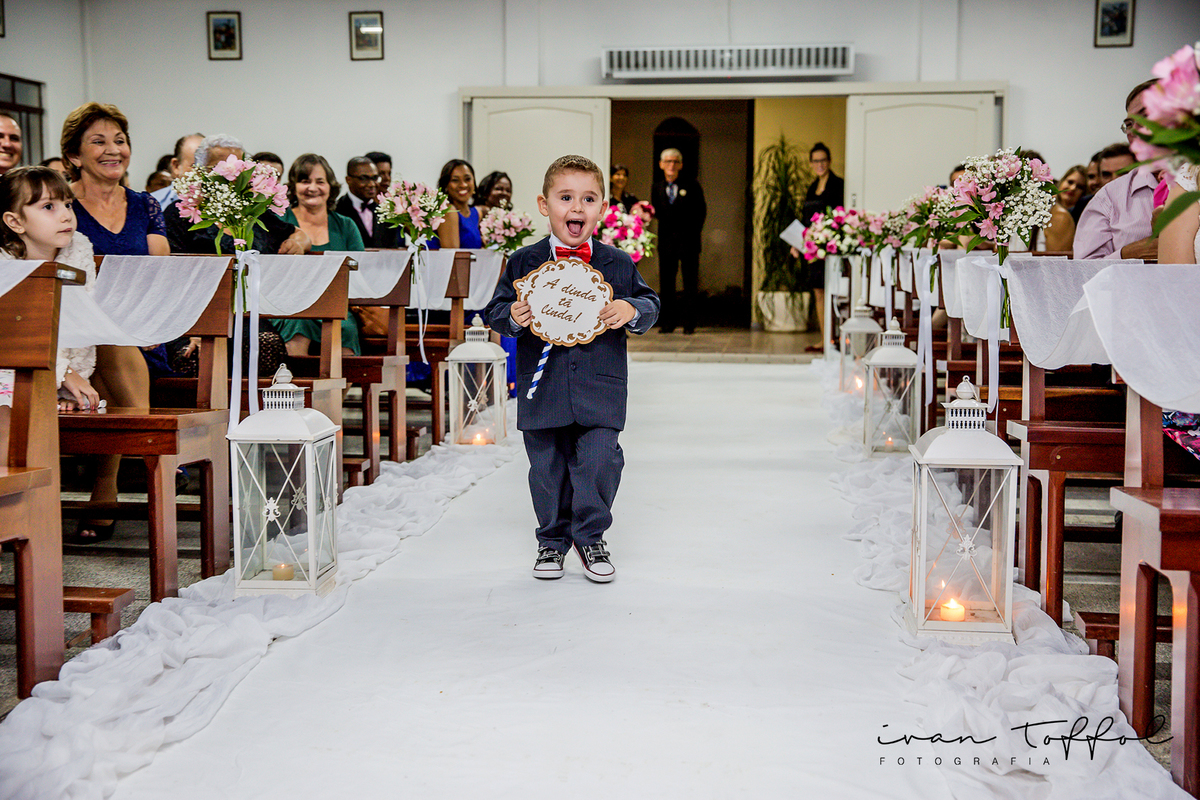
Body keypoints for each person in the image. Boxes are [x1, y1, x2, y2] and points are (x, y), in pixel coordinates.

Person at [484, 154, 659, 582]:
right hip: (543, 388)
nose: (576, 207)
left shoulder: (618, 263)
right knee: (546, 469)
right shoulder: (523, 262)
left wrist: (630, 309)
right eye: (565, 197)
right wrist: (513, 316)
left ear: (602, 208)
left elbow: (650, 303)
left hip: (601, 388)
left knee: (600, 460)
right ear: (544, 205)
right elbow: (496, 310)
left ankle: (590, 536)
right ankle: (551, 539)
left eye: (588, 199)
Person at [276, 153, 363, 358]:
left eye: (320, 182)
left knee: (345, 328)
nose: (312, 188)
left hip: (335, 304)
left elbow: (360, 271)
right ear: (293, 186)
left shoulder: (346, 225)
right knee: (299, 324)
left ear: (331, 186)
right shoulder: (280, 220)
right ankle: (295, 379)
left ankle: (339, 381)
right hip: (288, 306)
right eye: (305, 181)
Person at [163, 134, 309, 255]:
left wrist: (296, 244)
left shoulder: (253, 209)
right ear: (201, 171)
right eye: (220, 167)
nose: (232, 175)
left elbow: (301, 235)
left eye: (239, 168)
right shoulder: (180, 212)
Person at [1074, 80, 1160, 260]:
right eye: (1129, 124)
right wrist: (1126, 254)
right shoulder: (1109, 198)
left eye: (1145, 116)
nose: (1133, 131)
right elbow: (1084, 269)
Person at [650, 147, 706, 334]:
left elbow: (701, 212)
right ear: (661, 164)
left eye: (675, 162)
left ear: (681, 165)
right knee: (667, 284)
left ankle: (689, 323)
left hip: (688, 242)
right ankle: (668, 322)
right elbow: (656, 212)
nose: (671, 165)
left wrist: (692, 234)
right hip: (666, 243)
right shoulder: (657, 187)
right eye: (668, 161)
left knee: (690, 283)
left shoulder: (692, 185)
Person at [799, 142, 844, 350]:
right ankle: (825, 339)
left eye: (823, 160)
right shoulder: (811, 187)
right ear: (811, 163)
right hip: (814, 249)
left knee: (833, 292)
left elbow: (840, 215)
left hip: (831, 247)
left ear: (829, 161)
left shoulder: (838, 185)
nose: (820, 164)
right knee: (818, 292)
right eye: (816, 161)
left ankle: (835, 338)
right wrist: (798, 241)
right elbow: (805, 218)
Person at [336, 156, 387, 247]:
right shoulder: (337, 210)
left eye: (375, 178)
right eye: (364, 178)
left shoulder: (385, 212)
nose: (371, 184)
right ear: (348, 180)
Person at [433, 159, 483, 249]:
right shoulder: (448, 211)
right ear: (446, 185)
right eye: (455, 180)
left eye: (467, 179)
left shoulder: (476, 213)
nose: (463, 185)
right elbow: (452, 255)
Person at [150, 132, 203, 210]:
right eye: (195, 166)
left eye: (210, 166)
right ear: (176, 166)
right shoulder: (151, 204)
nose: (204, 173)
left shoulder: (220, 204)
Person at [1042, 165, 1087, 252]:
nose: (1073, 188)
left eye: (1080, 187)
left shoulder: (1082, 218)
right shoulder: (1044, 207)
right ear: (1062, 181)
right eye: (1070, 182)